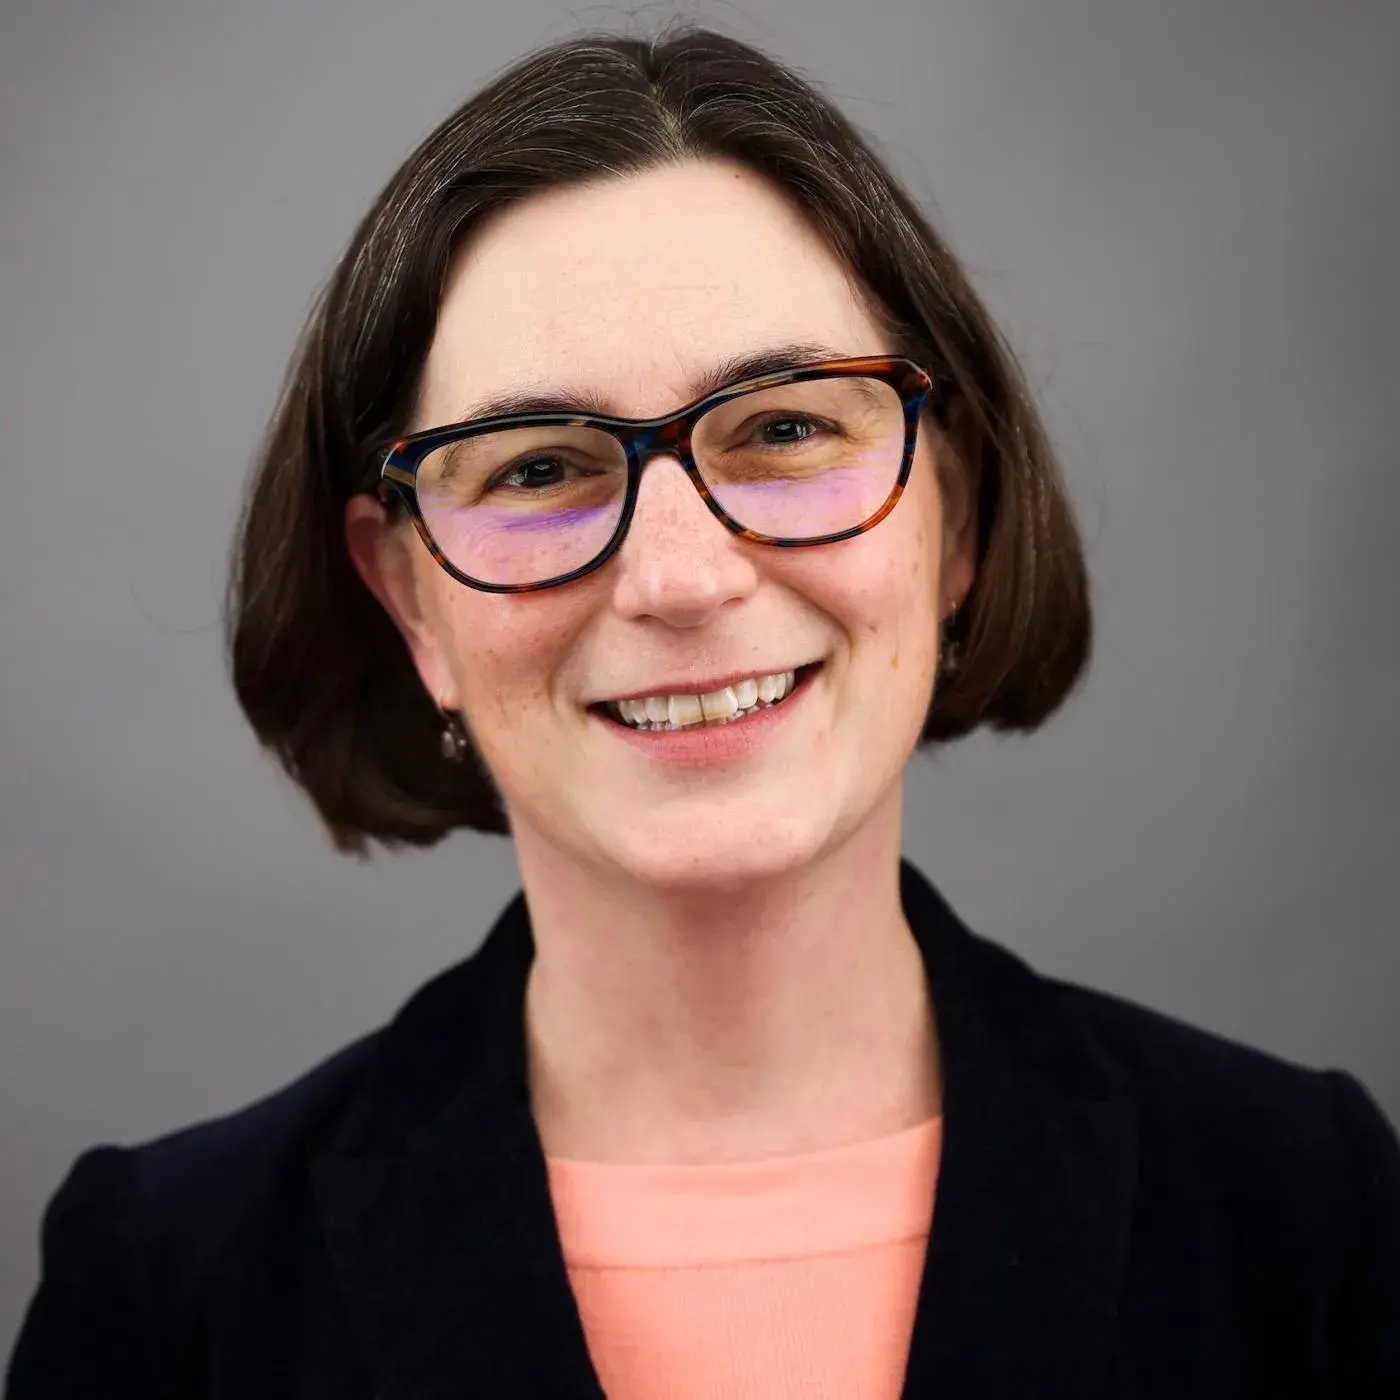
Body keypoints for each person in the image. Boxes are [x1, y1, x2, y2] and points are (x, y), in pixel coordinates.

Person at [8, 23, 1399, 1399]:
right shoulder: (166, 1295)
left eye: (786, 427)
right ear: (411, 604)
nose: (679, 579)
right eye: (541, 467)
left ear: (954, 519)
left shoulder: (1312, 1213)